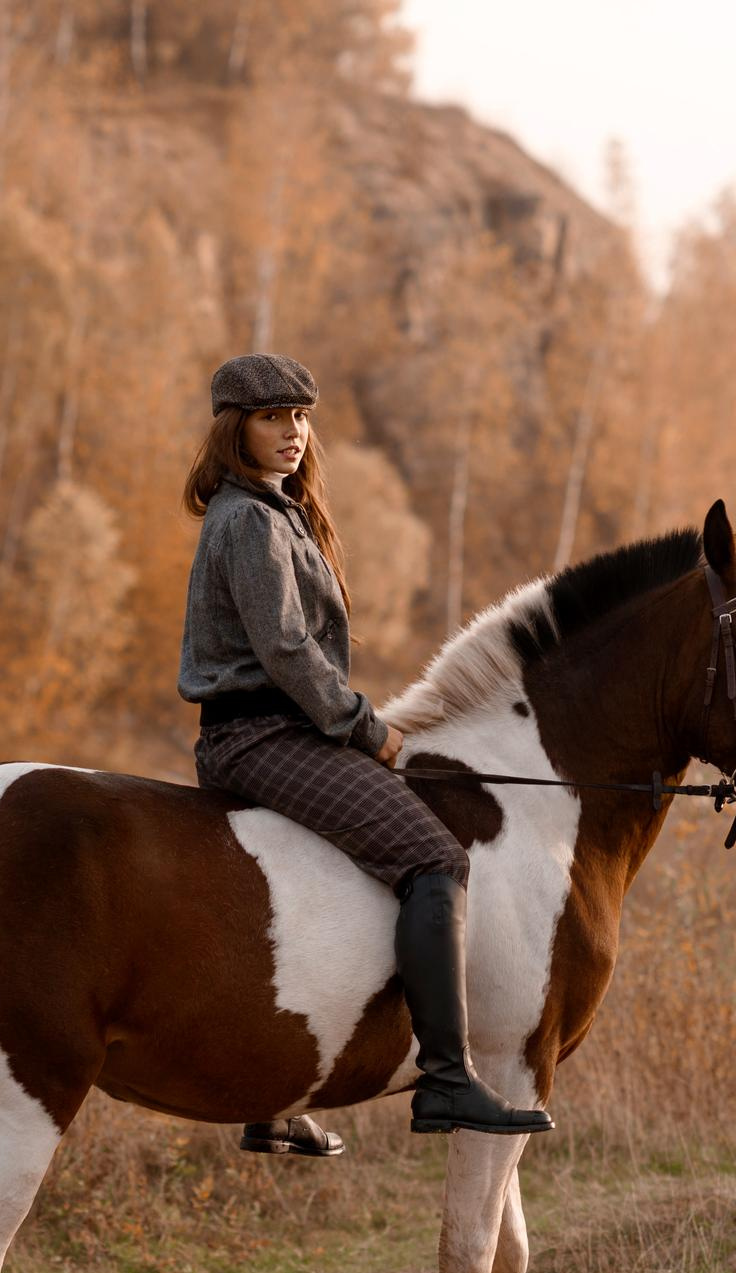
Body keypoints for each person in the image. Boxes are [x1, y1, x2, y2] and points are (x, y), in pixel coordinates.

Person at [178, 353, 553, 1155]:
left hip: (283, 730)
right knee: (434, 857)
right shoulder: (246, 521)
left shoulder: (278, 513)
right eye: (273, 416)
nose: (292, 431)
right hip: (261, 736)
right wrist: (361, 723)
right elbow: (283, 649)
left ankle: (270, 1093)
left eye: (301, 417)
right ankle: (448, 1078)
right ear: (233, 427)